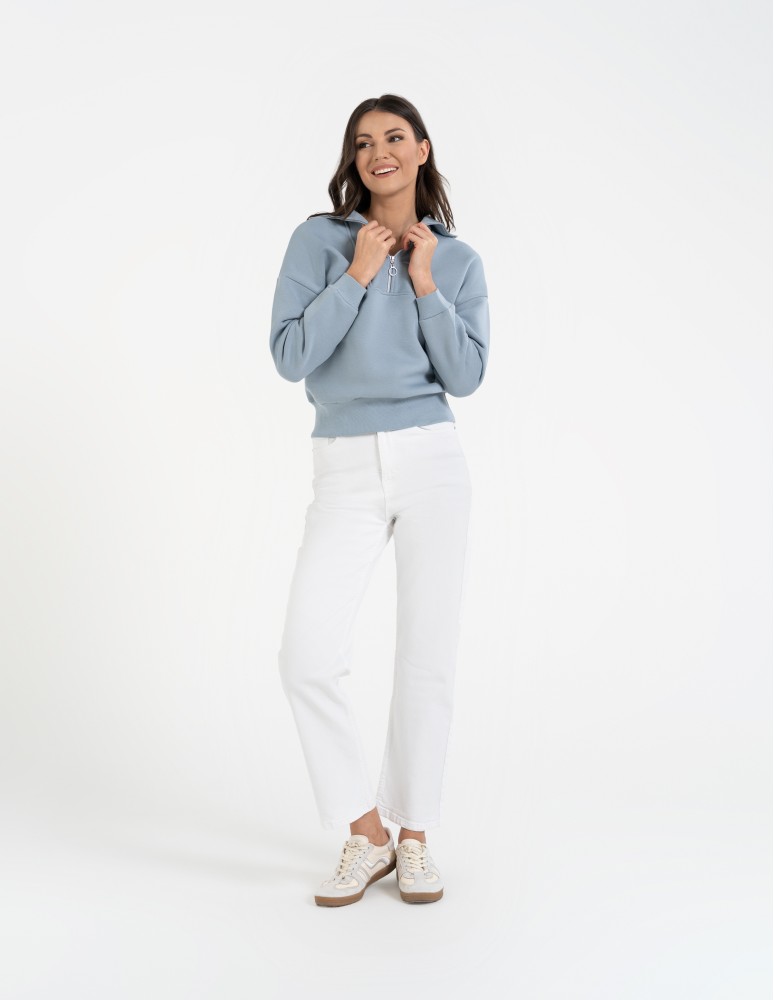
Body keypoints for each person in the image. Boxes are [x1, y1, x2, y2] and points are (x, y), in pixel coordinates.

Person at [269, 94, 490, 906]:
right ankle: (367, 835)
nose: (378, 152)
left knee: (428, 657)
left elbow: (466, 376)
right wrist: (359, 274)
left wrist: (424, 284)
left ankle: (416, 836)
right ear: (352, 159)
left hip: (432, 458)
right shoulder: (318, 241)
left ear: (422, 150)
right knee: (306, 656)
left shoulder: (457, 260)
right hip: (344, 464)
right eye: (363, 142)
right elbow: (291, 355)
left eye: (394, 137)